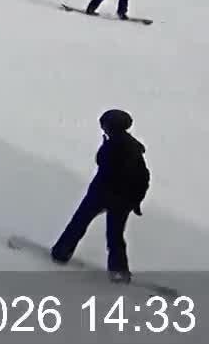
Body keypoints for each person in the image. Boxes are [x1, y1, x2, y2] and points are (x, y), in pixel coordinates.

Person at [50, 109, 148, 280]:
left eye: (104, 125)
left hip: (104, 195)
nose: (103, 128)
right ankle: (119, 271)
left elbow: (116, 170)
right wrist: (135, 201)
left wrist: (133, 200)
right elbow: (143, 178)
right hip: (119, 199)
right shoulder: (129, 147)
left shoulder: (116, 146)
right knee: (114, 235)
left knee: (79, 223)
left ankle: (61, 253)